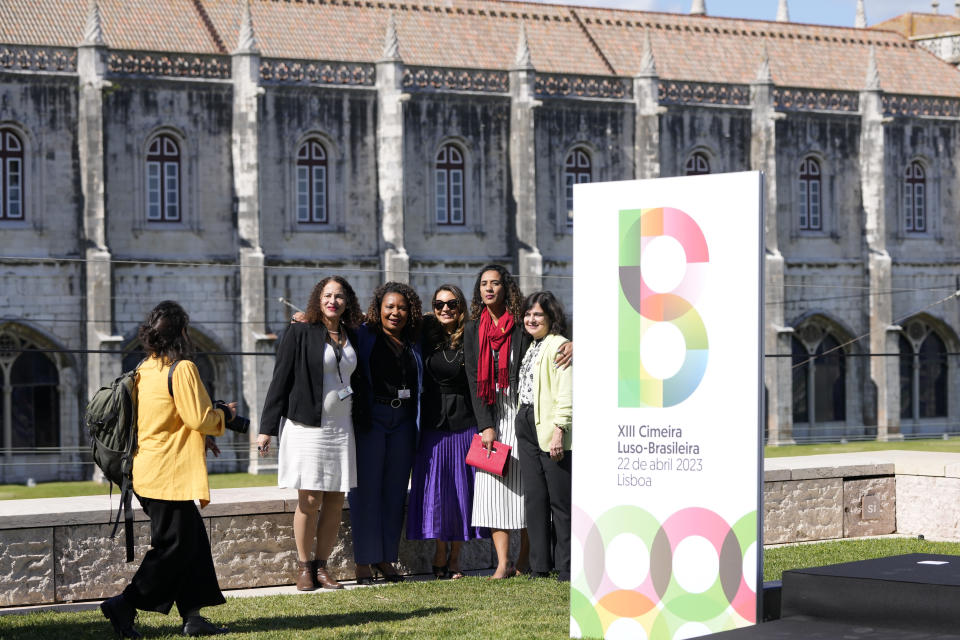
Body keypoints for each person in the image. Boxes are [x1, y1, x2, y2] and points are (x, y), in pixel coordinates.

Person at [100, 301, 240, 638]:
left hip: (145, 471)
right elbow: (199, 418)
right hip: (169, 475)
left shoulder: (144, 369)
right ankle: (124, 605)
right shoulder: (183, 369)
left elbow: (164, 420)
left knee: (191, 544)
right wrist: (226, 416)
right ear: (181, 333)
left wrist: (200, 438)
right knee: (173, 548)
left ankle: (192, 616)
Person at [257, 276, 364, 591]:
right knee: (310, 498)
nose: (333, 300)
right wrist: (266, 429)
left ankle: (322, 567)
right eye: (328, 295)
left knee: (334, 499)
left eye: (340, 296)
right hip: (307, 426)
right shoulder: (300, 331)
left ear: (347, 301)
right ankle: (304, 566)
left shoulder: (354, 333)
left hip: (342, 426)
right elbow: (280, 379)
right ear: (318, 299)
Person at [406, 284, 489, 579]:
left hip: (464, 424)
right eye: (439, 304)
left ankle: (455, 558)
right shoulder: (426, 332)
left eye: (451, 304)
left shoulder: (471, 334)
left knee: (461, 492)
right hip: (431, 426)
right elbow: (386, 318)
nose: (445, 309)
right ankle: (438, 553)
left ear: (461, 306)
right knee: (437, 493)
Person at [349, 282, 423, 584]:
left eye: (402, 307)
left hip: (404, 421)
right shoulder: (363, 334)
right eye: (389, 307)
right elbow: (329, 328)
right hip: (371, 418)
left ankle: (385, 558)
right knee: (365, 490)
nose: (396, 312)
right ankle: (364, 561)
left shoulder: (416, 339)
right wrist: (303, 321)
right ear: (378, 309)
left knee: (394, 492)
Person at [515, 291, 573, 581]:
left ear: (552, 318)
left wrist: (559, 431)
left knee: (560, 501)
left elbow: (566, 391)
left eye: (538, 314)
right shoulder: (532, 346)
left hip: (550, 428)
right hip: (526, 422)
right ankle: (540, 565)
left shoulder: (560, 345)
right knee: (535, 497)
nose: (531, 319)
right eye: (528, 314)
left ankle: (567, 566)